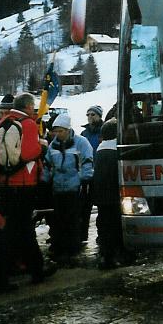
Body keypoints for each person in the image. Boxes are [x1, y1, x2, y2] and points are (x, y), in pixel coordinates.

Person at [0, 92, 55, 292]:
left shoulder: (1, 124)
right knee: (13, 233)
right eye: (32, 106)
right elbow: (28, 153)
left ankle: (37, 269)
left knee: (24, 230)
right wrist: (42, 146)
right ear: (27, 106)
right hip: (24, 185)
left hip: (6, 184)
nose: (34, 110)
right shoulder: (28, 124)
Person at [44, 113, 93, 267]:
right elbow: (48, 164)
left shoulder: (81, 143)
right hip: (58, 187)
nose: (57, 134)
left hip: (75, 187)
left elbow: (87, 161)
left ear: (67, 129)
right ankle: (60, 248)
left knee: (73, 219)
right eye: (55, 131)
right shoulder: (53, 145)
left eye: (60, 131)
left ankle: (72, 249)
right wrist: (44, 179)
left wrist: (85, 179)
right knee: (59, 219)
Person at [93, 119, 128, 269]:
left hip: (101, 196)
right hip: (114, 196)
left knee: (104, 225)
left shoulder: (100, 150)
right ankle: (115, 256)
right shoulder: (116, 151)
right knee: (115, 227)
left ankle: (105, 256)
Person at [77, 105, 103, 245]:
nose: (90, 117)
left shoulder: (104, 132)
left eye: (93, 114)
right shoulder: (84, 134)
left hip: (100, 172)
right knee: (84, 206)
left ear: (99, 116)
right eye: (88, 115)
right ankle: (82, 235)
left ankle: (102, 234)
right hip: (86, 172)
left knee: (102, 206)